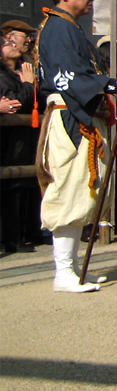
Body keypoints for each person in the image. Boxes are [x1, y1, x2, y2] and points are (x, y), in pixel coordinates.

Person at [34, 0, 117, 292]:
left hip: (78, 114)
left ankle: (74, 268)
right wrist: (108, 83)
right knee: (69, 189)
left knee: (82, 191)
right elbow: (68, 77)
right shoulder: (58, 28)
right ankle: (63, 271)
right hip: (69, 117)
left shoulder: (68, 27)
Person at [1, 20, 42, 253]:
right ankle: (12, 237)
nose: (25, 42)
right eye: (18, 38)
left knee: (31, 183)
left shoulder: (26, 66)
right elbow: (19, 103)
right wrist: (27, 85)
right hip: (12, 139)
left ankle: (31, 231)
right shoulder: (3, 73)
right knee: (13, 186)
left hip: (30, 136)